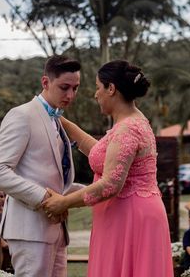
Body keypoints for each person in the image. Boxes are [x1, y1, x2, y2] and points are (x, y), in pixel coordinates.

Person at [42, 60, 173, 277]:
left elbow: (111, 184)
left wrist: (63, 203)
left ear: (111, 89)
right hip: (129, 214)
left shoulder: (128, 130)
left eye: (97, 88)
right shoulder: (131, 123)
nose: (96, 95)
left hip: (131, 217)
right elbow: (100, 153)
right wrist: (61, 121)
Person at [0, 55, 81, 277]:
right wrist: (43, 198)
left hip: (56, 230)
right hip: (29, 229)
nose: (70, 95)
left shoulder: (56, 120)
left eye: (75, 88)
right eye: (64, 87)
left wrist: (91, 190)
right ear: (45, 82)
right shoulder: (21, 115)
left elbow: (54, 178)